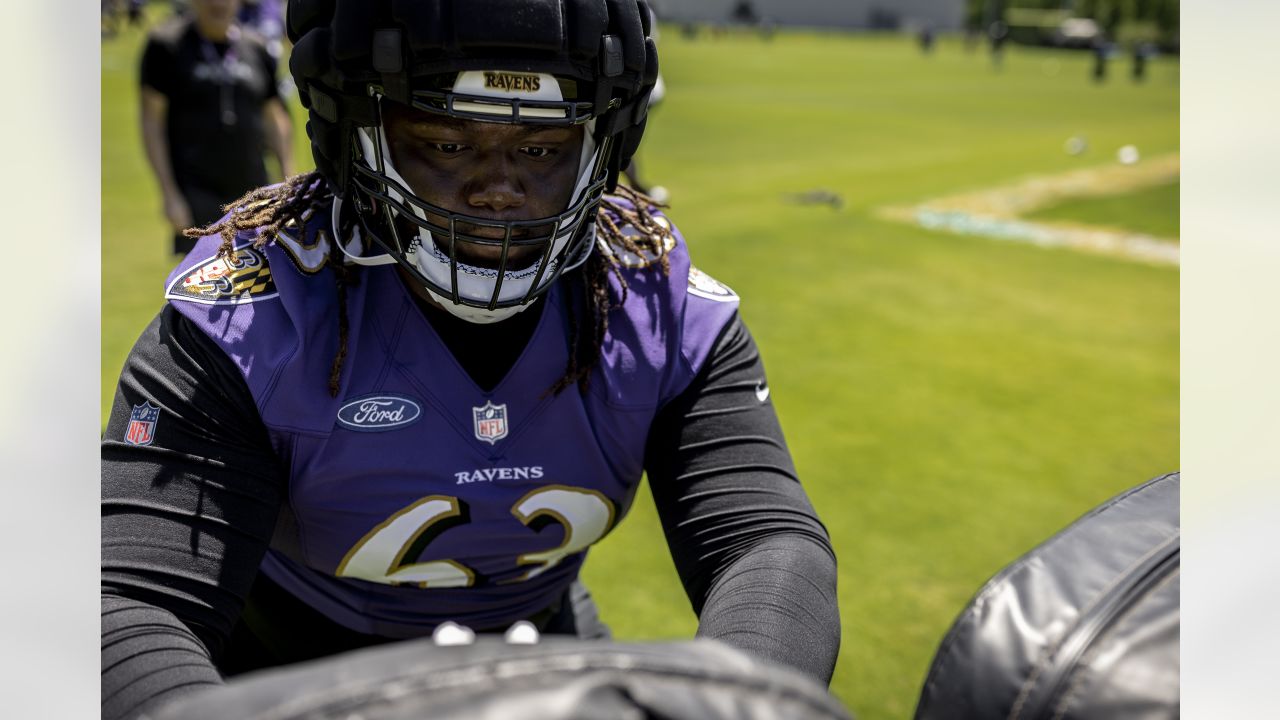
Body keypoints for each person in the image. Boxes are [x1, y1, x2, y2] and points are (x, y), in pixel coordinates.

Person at [102, 1, 840, 719]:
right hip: (277, 675)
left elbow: (764, 542)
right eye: (449, 144)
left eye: (543, 149)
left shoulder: (655, 298)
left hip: (541, 657)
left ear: (603, 143)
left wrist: (741, 707)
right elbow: (131, 601)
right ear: (358, 130)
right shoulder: (251, 312)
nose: (497, 190)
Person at [139, 0, 293, 255]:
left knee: (258, 283)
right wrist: (169, 193)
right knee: (202, 288)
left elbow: (275, 117)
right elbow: (152, 121)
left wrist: (286, 184)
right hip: (195, 195)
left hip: (253, 194)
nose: (218, 3)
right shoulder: (167, 45)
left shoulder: (257, 47)